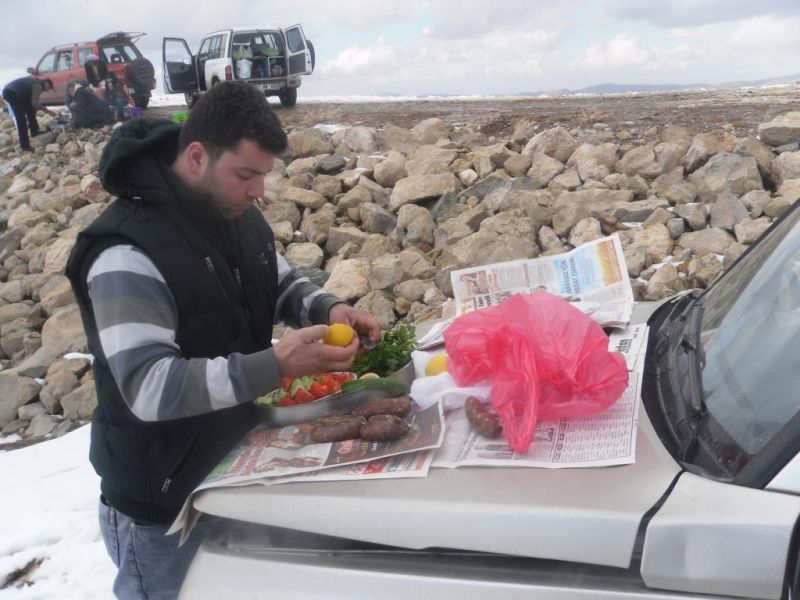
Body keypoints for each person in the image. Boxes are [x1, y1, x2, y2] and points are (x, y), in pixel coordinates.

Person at [65, 81, 381, 599]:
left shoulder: (238, 216)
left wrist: (329, 308)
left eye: (264, 175)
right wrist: (274, 365)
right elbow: (149, 387)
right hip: (162, 505)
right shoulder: (126, 251)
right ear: (197, 157)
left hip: (229, 469)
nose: (259, 191)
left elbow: (280, 285)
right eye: (246, 174)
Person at [1, 76, 56, 152]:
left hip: (12, 92)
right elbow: (35, 103)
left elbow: (33, 104)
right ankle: (25, 145)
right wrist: (48, 111)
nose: (47, 90)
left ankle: (34, 130)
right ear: (46, 83)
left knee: (30, 109)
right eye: (49, 88)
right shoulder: (38, 85)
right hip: (11, 93)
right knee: (21, 119)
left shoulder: (35, 82)